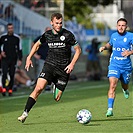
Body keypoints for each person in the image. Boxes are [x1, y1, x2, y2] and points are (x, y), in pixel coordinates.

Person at [18, 13, 81, 123]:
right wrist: (29, 57)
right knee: (38, 88)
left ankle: (55, 85)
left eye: (61, 23)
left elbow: (78, 50)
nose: (59, 25)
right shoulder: (47, 35)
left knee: (57, 98)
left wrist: (72, 64)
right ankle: (25, 113)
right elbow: (37, 45)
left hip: (63, 69)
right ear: (51, 23)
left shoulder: (68, 35)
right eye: (56, 23)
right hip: (49, 66)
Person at [99, 18, 133, 117]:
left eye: (123, 25)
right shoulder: (114, 35)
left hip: (126, 67)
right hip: (114, 64)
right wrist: (104, 47)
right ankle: (110, 109)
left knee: (125, 84)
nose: (121, 27)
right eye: (119, 25)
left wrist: (130, 52)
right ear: (117, 26)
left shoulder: (131, 36)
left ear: (126, 27)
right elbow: (110, 44)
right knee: (112, 85)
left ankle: (125, 89)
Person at [0, 23, 23, 96]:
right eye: (9, 28)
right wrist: (1, 53)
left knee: (12, 74)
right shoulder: (3, 37)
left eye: (11, 28)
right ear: (7, 29)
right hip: (5, 59)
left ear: (13, 28)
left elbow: (19, 49)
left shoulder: (17, 38)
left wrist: (20, 59)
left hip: (13, 59)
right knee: (4, 73)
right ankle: (3, 88)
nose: (10, 29)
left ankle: (10, 89)